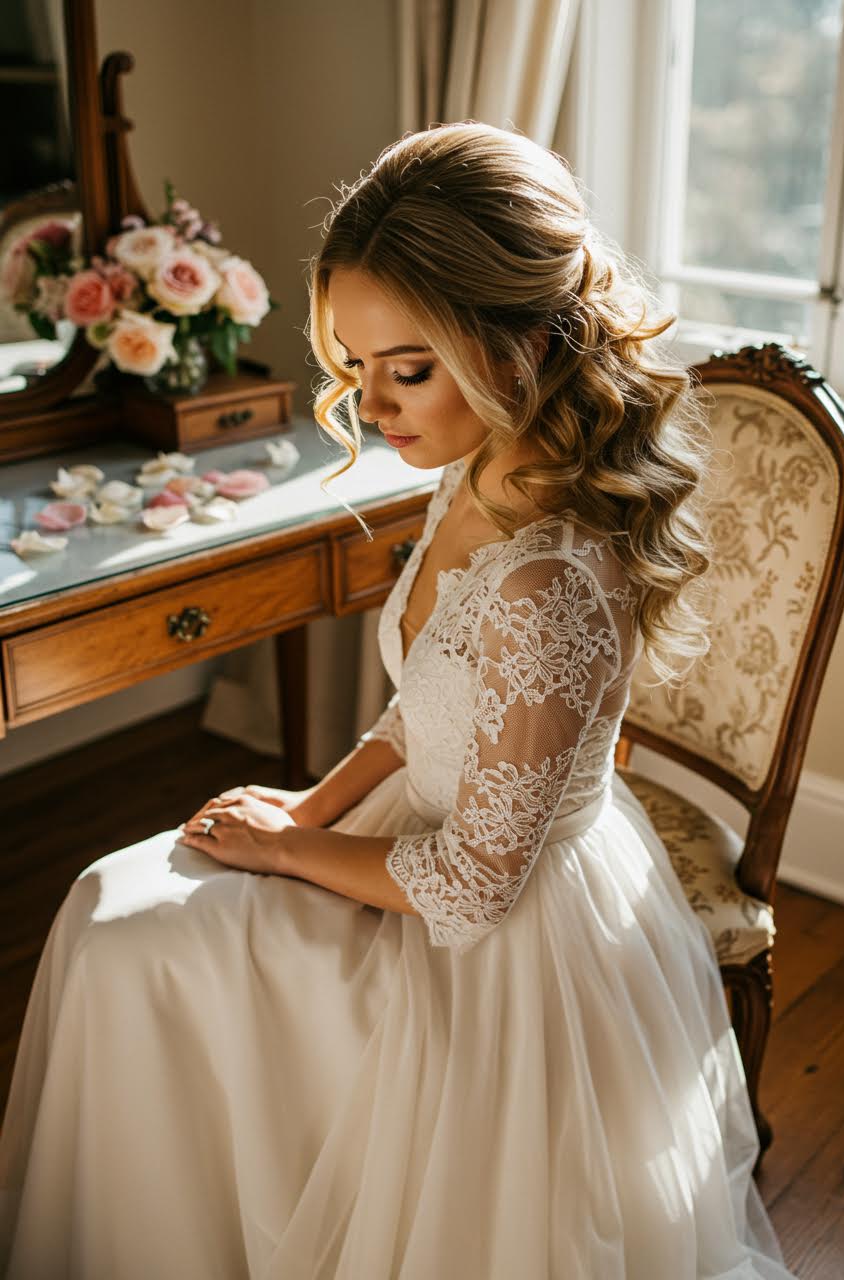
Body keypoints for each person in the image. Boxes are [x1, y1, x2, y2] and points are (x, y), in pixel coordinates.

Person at [0, 122, 796, 1279]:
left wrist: (283, 855)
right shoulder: (473, 473)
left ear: (519, 340)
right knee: (109, 911)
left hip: (493, 944)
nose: (373, 404)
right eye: (356, 369)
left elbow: (472, 886)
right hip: (413, 846)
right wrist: (312, 806)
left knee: (139, 951)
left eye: (406, 369)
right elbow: (419, 709)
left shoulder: (544, 582)